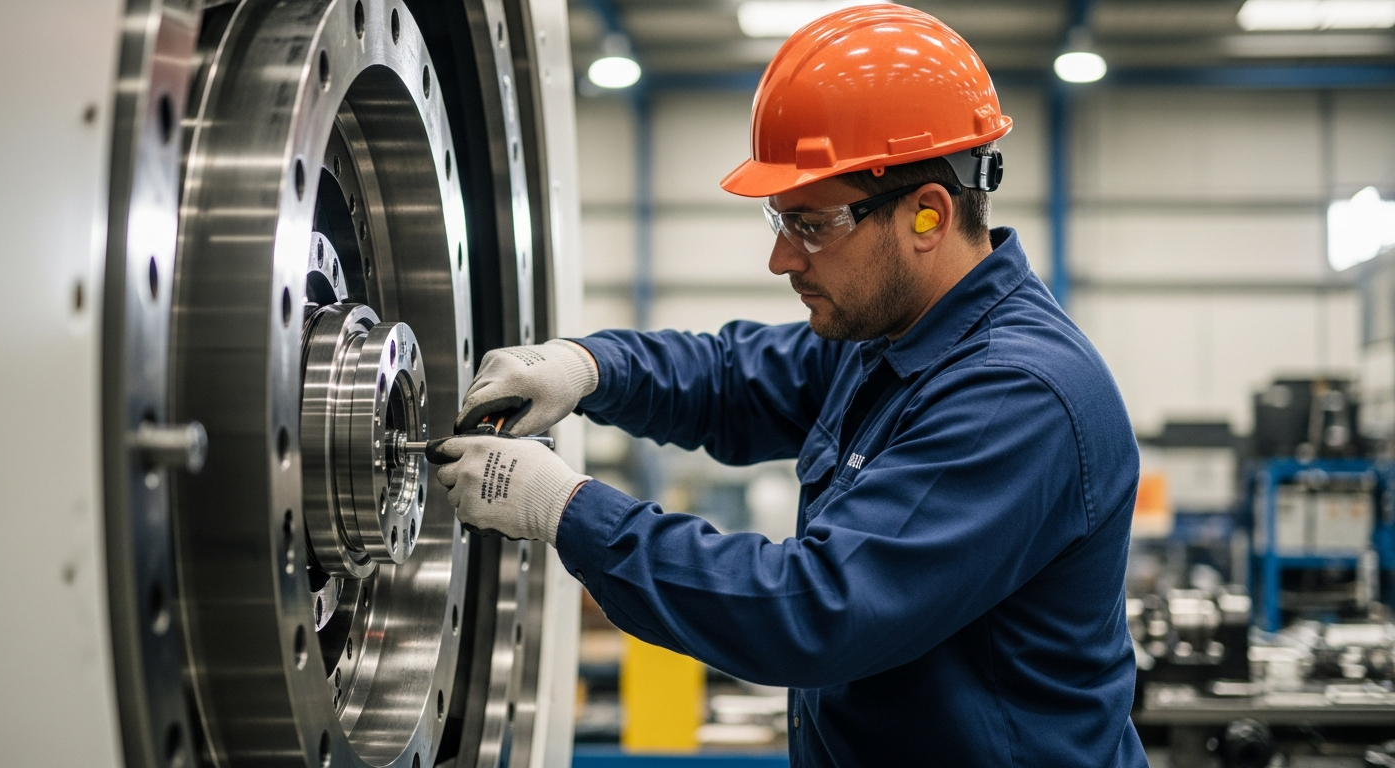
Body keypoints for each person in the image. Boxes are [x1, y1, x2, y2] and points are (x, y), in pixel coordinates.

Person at [435, 5, 1147, 766]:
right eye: (780, 221)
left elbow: (811, 612)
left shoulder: (1015, 396)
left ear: (928, 216)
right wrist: (587, 366)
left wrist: (563, 507)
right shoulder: (892, 337)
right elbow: (733, 380)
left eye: (812, 224)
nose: (782, 258)